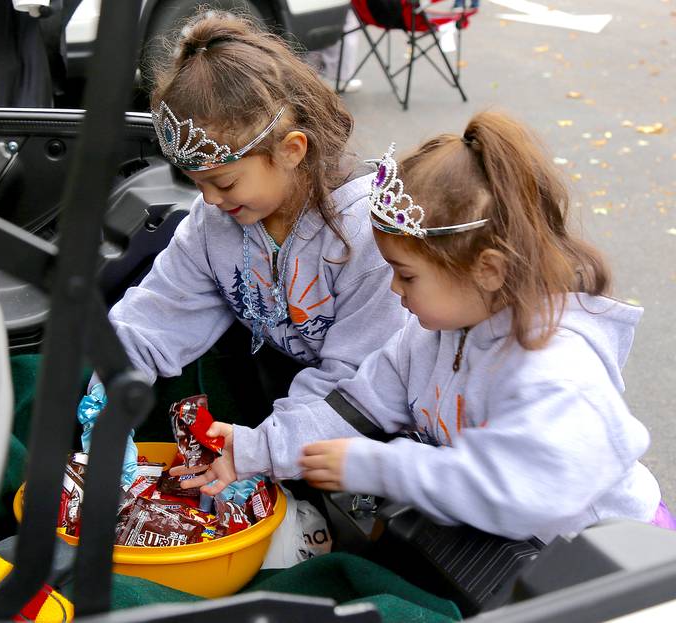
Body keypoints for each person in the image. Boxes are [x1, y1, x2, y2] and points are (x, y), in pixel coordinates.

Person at [189, 110, 673, 542]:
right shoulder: (428, 336)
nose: (395, 291)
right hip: (522, 558)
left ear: (488, 270)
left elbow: (517, 490)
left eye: (407, 274)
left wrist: (380, 467)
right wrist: (256, 448)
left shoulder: (557, 371)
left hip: (615, 564)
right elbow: (355, 405)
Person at [97, 12, 407, 470]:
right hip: (285, 401)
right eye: (195, 182)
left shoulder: (368, 232)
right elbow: (158, 313)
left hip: (366, 430)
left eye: (224, 182)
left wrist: (261, 450)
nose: (208, 200)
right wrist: (112, 385)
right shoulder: (212, 222)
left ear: (291, 150)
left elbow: (357, 386)